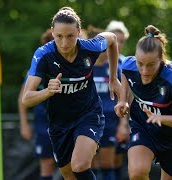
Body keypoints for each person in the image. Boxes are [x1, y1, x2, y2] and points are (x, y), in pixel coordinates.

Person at [21, 6, 121, 180]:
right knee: (68, 173)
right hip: (59, 122)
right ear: (52, 32)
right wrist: (47, 91)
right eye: (59, 36)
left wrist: (113, 78)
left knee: (80, 165)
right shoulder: (43, 55)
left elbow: (112, 39)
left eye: (70, 36)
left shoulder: (90, 47)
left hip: (89, 114)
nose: (65, 43)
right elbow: (26, 99)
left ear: (79, 32)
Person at [114, 24, 172, 180]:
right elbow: (125, 72)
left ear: (161, 60)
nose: (144, 71)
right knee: (137, 172)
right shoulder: (130, 65)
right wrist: (123, 99)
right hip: (144, 126)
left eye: (151, 65)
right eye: (140, 64)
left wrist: (160, 118)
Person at [18, 28, 57, 180]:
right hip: (43, 122)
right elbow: (23, 99)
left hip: (66, 121)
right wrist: (24, 124)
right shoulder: (35, 69)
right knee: (46, 165)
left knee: (74, 165)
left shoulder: (70, 66)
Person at [105, 20, 131, 180]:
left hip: (118, 118)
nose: (118, 44)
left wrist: (124, 123)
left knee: (116, 161)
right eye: (116, 40)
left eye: (121, 41)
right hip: (97, 119)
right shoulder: (95, 61)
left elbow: (128, 95)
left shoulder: (125, 63)